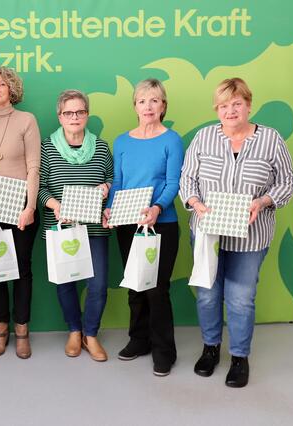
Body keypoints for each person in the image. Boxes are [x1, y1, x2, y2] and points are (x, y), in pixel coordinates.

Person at [179, 77, 293, 387]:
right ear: (217, 109)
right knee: (207, 295)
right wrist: (194, 202)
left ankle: (240, 357)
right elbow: (187, 179)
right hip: (208, 233)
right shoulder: (203, 138)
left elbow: (287, 183)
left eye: (237, 104)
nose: (231, 110)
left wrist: (264, 200)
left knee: (240, 298)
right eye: (224, 106)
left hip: (251, 235)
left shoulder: (271, 139)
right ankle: (211, 349)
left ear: (248, 105)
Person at [103, 78, 184, 376]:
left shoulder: (172, 140)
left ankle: (165, 350)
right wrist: (111, 208)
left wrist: (157, 208)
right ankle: (138, 340)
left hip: (161, 223)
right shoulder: (122, 141)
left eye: (154, 100)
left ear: (163, 105)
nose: (148, 106)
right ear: (134, 106)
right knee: (136, 286)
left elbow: (174, 182)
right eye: (142, 101)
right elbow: (120, 183)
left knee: (157, 288)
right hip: (127, 223)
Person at [38, 90, 113, 361]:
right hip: (60, 227)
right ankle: (74, 330)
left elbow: (113, 179)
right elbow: (40, 188)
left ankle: (90, 334)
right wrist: (56, 206)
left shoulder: (102, 147)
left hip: (93, 227)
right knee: (65, 282)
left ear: (87, 114)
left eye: (80, 111)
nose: (75, 117)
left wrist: (106, 187)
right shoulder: (47, 147)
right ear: (60, 116)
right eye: (69, 112)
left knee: (98, 285)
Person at [0, 66, 41, 359]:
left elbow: (33, 167)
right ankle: (0, 331)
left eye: (2, 84)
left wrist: (30, 206)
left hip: (21, 207)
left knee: (22, 270)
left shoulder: (27, 120)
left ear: (11, 88)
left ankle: (22, 331)